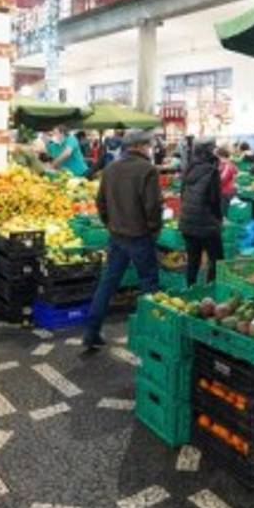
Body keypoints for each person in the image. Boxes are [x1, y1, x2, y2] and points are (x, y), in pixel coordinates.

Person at [83, 130, 162, 352]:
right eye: (147, 145)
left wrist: (110, 224)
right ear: (139, 146)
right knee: (149, 284)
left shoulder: (111, 168)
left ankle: (91, 332)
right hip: (140, 236)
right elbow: (153, 206)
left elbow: (100, 202)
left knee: (108, 283)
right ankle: (151, 336)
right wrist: (154, 230)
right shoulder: (147, 170)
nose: (149, 148)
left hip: (117, 235)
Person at [179, 142, 226, 286]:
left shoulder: (190, 168)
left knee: (193, 261)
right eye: (214, 149)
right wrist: (219, 219)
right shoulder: (211, 171)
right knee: (217, 261)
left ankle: (190, 290)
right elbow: (215, 200)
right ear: (208, 152)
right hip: (206, 224)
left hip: (187, 222)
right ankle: (210, 291)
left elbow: (182, 194)